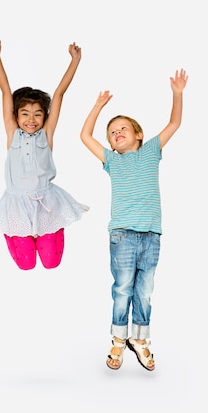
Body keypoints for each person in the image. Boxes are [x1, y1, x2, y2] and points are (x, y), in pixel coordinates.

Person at [80, 69, 188, 371]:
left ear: (138, 134)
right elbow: (84, 136)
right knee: (123, 287)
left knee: (145, 289)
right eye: (112, 132)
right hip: (123, 235)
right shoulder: (112, 160)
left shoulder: (152, 149)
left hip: (152, 234)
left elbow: (175, 123)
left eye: (123, 128)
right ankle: (118, 339)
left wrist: (177, 94)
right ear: (111, 145)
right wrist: (98, 107)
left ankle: (140, 340)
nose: (117, 133)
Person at [0, 39, 88, 271]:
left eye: (38, 114)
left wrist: (75, 61)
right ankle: (12, 231)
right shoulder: (13, 134)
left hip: (47, 201)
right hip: (16, 203)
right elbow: (5, 91)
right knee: (26, 264)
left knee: (51, 263)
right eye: (25, 114)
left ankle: (52, 227)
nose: (31, 120)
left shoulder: (46, 135)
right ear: (16, 116)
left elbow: (59, 94)